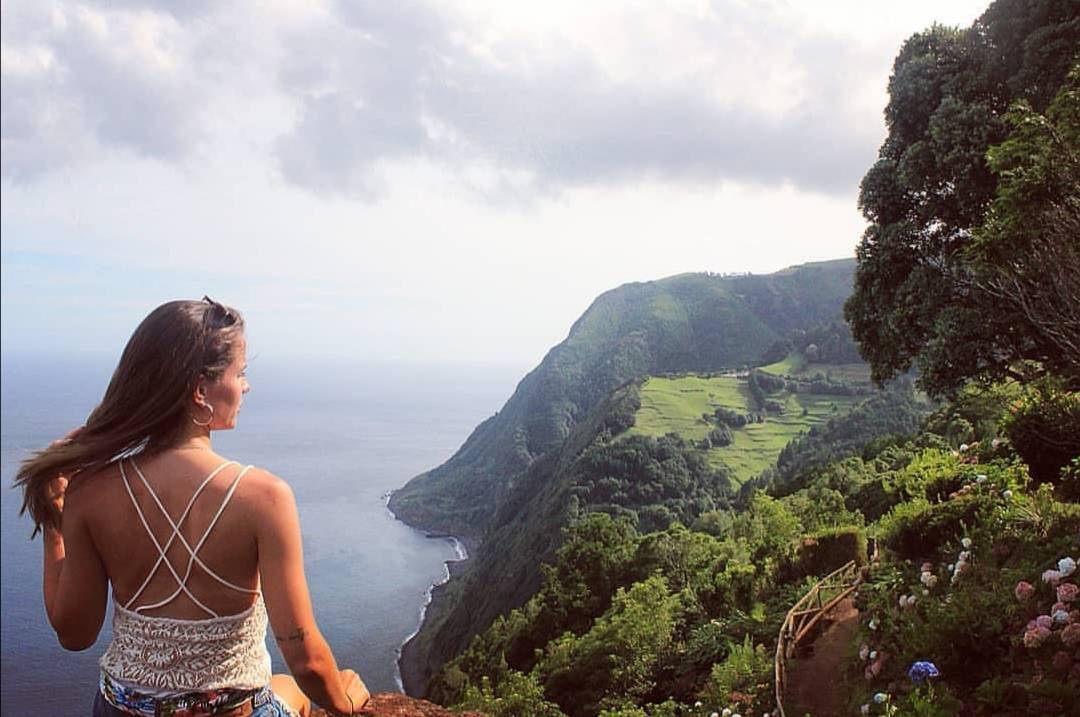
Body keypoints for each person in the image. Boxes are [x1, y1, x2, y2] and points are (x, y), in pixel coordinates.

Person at [15, 298, 372, 717]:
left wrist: (56, 517)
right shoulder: (264, 497)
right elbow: (307, 660)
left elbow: (73, 633)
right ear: (201, 390)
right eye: (239, 373)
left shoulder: (89, 492)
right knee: (293, 690)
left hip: (118, 710)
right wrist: (347, 702)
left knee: (286, 686)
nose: (246, 386)